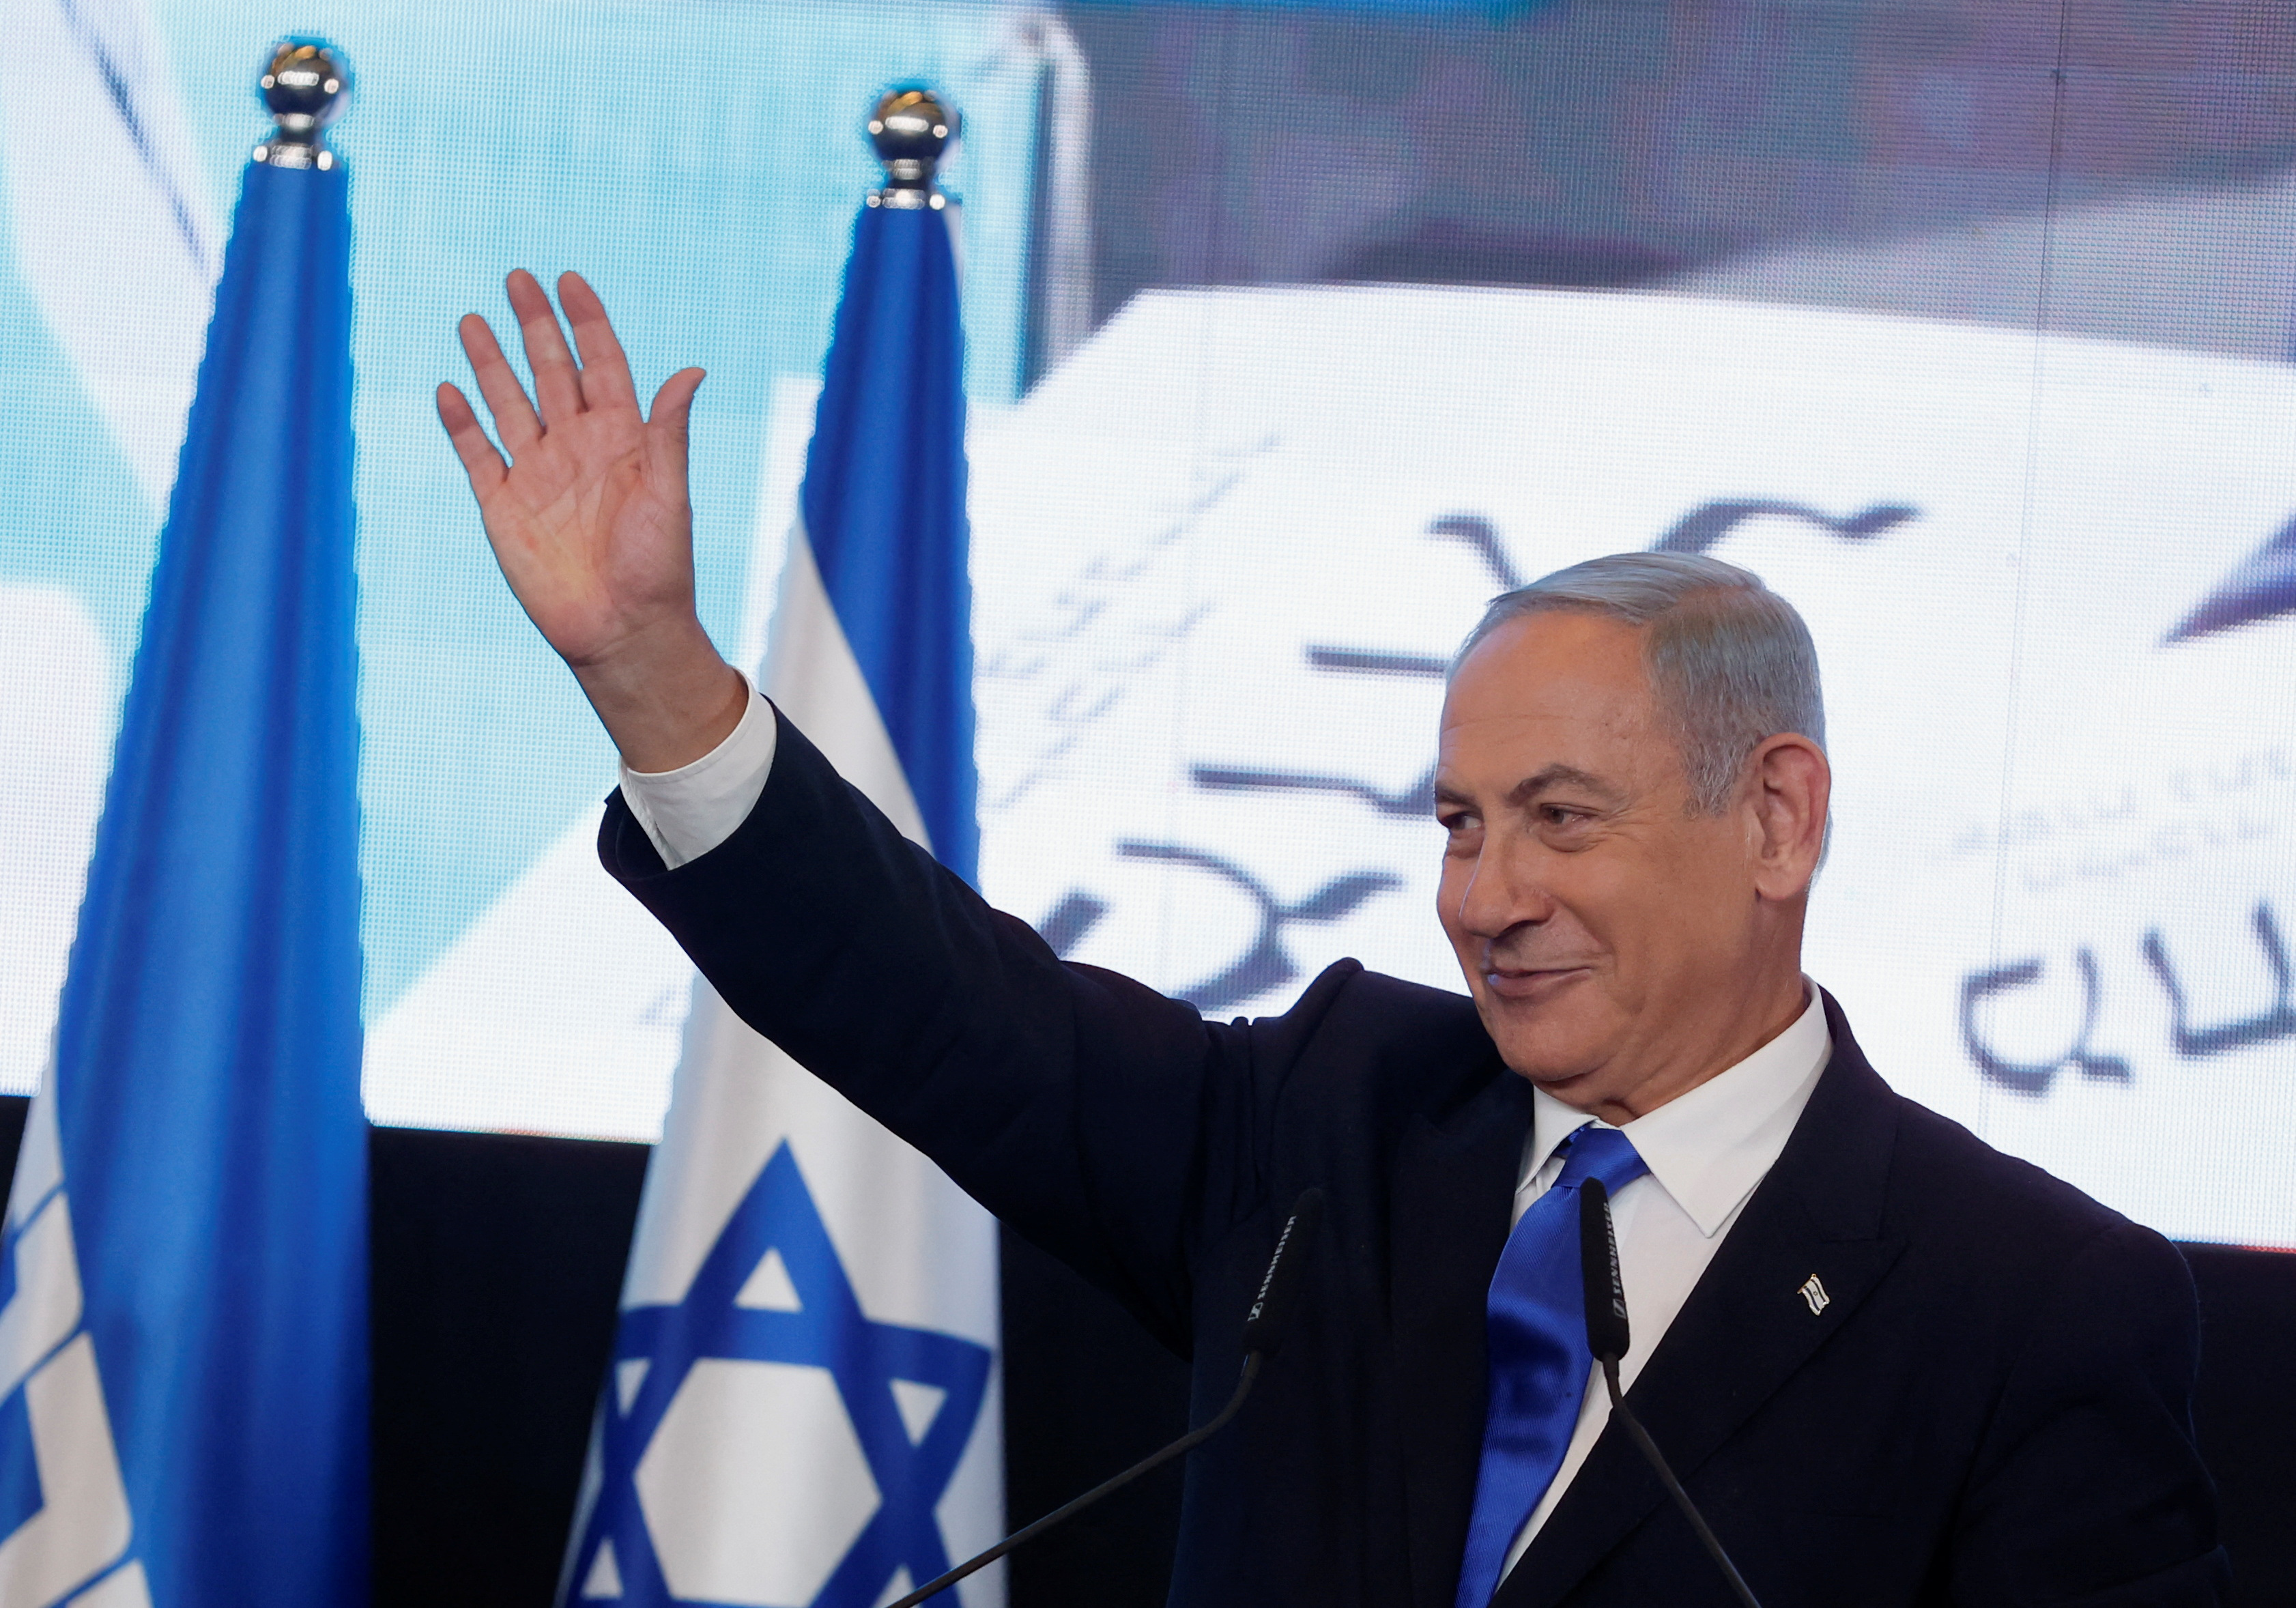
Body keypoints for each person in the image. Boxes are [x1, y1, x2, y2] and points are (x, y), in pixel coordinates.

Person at [437, 270, 2228, 1607]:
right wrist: (648, 671)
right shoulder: (1335, 1121)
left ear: (1771, 816)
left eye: (1557, 818)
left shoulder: (2023, 1304)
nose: (1482, 893)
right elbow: (950, 1014)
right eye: (1457, 822)